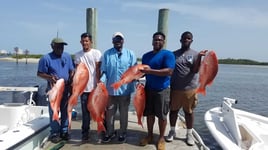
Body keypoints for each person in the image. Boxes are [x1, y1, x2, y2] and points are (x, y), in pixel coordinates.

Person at [165, 31, 207, 145]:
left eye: (188, 38)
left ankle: (189, 134)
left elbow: (195, 70)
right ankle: (172, 131)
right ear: (180, 40)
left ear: (191, 41)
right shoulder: (173, 54)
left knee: (189, 112)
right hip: (175, 88)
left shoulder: (196, 54)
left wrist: (200, 58)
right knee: (173, 111)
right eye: (184, 38)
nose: (186, 40)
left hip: (190, 89)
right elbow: (168, 69)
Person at [139, 32, 175, 150]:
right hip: (148, 88)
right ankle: (149, 135)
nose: (157, 42)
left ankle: (161, 138)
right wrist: (133, 78)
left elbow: (169, 71)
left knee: (162, 115)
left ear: (163, 42)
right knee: (149, 114)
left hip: (162, 90)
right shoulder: (146, 56)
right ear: (152, 41)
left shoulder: (168, 55)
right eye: (155, 40)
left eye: (160, 40)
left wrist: (150, 71)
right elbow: (142, 72)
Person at [100, 32, 137, 143]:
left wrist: (135, 78)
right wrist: (101, 82)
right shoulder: (107, 54)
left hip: (125, 90)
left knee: (123, 114)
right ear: (112, 41)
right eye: (116, 39)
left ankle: (122, 133)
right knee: (109, 114)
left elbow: (134, 71)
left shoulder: (130, 54)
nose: (118, 41)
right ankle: (110, 133)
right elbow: (104, 72)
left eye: (120, 39)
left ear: (123, 41)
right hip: (110, 91)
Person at [37, 37, 74, 143]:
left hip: (65, 87)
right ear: (52, 46)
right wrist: (49, 77)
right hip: (53, 88)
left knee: (65, 110)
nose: (60, 48)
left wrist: (71, 77)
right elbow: (39, 73)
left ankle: (64, 131)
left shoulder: (67, 56)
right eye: (58, 46)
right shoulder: (46, 58)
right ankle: (54, 132)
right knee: (54, 110)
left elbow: (71, 70)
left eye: (62, 46)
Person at [73, 32, 102, 141]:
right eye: (83, 41)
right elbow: (77, 73)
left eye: (87, 41)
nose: (85, 43)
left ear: (91, 42)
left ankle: (101, 129)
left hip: (95, 89)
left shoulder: (96, 53)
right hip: (83, 89)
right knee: (85, 112)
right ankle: (85, 132)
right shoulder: (77, 55)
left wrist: (99, 85)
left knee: (99, 110)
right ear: (80, 42)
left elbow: (98, 70)